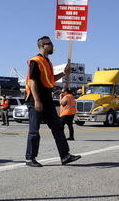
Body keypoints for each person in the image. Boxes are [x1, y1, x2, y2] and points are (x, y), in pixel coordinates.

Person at [25, 36, 81, 167]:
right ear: (42, 46)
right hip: (36, 99)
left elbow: (51, 79)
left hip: (47, 99)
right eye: (49, 44)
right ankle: (30, 158)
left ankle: (65, 156)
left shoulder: (48, 62)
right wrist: (37, 100)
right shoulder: (35, 61)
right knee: (34, 130)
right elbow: (32, 82)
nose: (52, 46)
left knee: (57, 128)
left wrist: (63, 73)